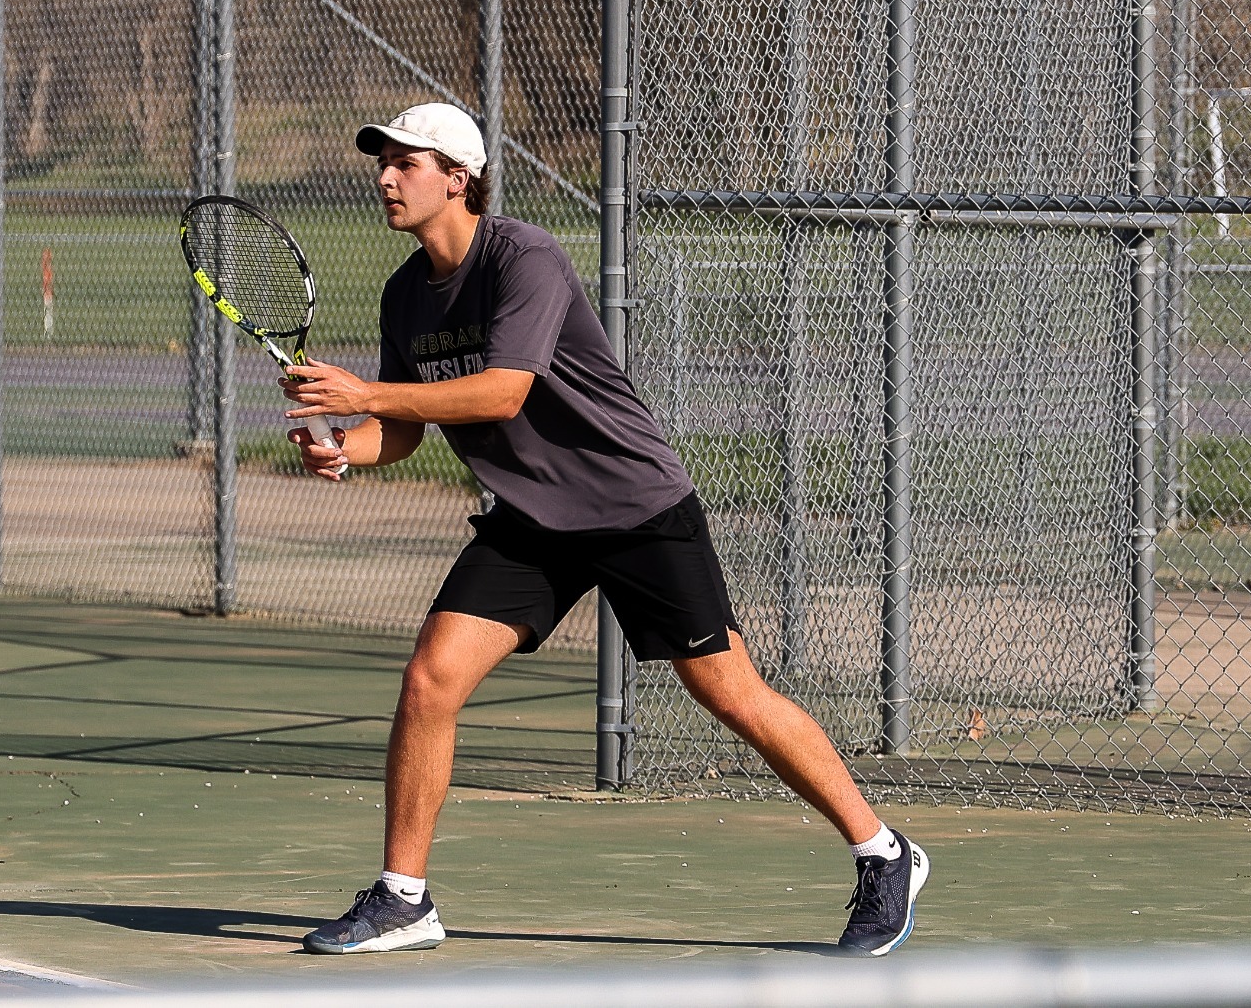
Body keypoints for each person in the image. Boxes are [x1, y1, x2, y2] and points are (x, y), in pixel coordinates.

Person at [278, 102, 927, 956]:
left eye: (406, 162)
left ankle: (884, 854)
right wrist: (349, 451)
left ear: (458, 178)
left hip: (633, 506)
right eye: (383, 161)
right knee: (432, 677)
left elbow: (500, 392)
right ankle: (404, 897)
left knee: (727, 690)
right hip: (533, 522)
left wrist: (364, 395)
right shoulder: (406, 294)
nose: (386, 177)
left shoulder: (525, 257)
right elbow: (403, 431)